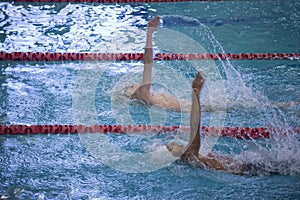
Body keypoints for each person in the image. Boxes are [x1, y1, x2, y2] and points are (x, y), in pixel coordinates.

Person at [166, 72, 279, 175]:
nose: (172, 144)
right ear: (178, 155)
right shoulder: (191, 155)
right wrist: (195, 92)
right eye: (171, 148)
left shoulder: (193, 157)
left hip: (246, 166)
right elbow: (195, 125)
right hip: (248, 169)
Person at [124, 16, 182, 111]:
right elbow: (148, 62)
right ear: (133, 94)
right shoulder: (143, 93)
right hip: (193, 108)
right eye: (130, 86)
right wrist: (149, 34)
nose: (132, 84)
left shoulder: (147, 96)